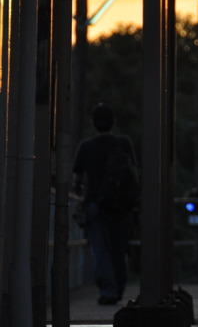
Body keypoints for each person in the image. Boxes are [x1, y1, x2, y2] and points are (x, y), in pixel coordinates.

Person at [73, 104, 138, 305]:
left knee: (101, 250)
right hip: (123, 206)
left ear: (93, 123)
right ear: (113, 122)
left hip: (96, 205)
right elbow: (134, 172)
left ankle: (108, 290)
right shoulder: (124, 143)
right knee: (119, 247)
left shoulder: (86, 146)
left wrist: (81, 193)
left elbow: (77, 181)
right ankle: (119, 286)